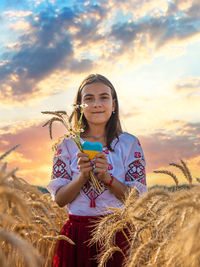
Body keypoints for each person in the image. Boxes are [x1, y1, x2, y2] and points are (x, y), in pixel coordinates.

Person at [46, 74, 147, 267]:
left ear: (114, 105)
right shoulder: (67, 145)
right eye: (89, 99)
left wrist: (108, 178)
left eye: (104, 97)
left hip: (117, 234)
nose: (96, 104)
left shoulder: (129, 144)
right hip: (76, 235)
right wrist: (82, 177)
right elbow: (59, 200)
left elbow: (136, 200)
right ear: (79, 106)